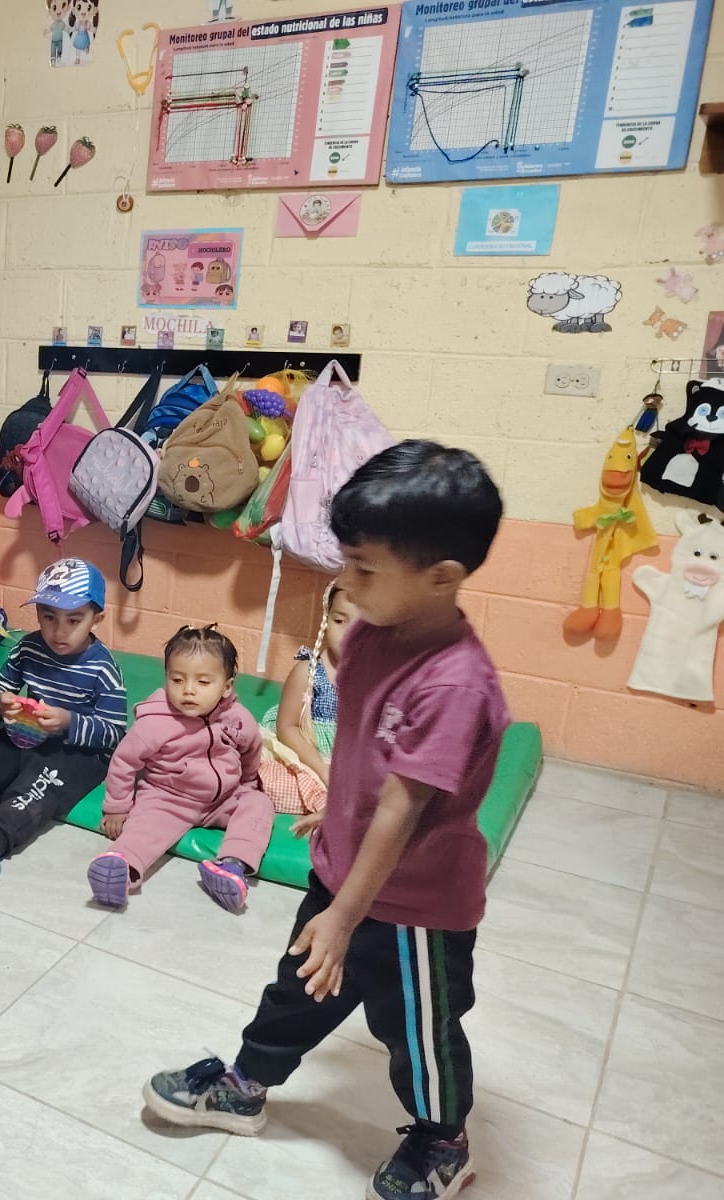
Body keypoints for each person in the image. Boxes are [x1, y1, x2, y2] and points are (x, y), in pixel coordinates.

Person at [141, 442, 510, 1200]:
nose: (347, 584)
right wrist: (335, 816)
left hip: (415, 906)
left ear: (441, 578)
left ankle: (443, 1139)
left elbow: (404, 807)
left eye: (365, 570)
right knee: (299, 985)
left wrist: (345, 916)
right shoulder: (369, 634)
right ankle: (246, 1086)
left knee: (416, 1029)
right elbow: (361, 751)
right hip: (346, 870)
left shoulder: (454, 685)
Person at [0, 558, 126, 883]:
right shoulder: (28, 647)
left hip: (77, 753)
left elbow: (113, 732)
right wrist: (2, 702)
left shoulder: (103, 668)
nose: (59, 630)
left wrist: (68, 721)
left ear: (97, 619)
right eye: (49, 617)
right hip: (25, 733)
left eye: (74, 620)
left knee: (34, 791)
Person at [88, 624, 271, 913]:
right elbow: (124, 761)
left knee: (259, 803)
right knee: (145, 829)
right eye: (177, 679)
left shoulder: (237, 718)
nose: (188, 690)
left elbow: (251, 749)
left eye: (203, 682)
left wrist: (247, 783)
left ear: (226, 687)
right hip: (169, 799)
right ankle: (119, 867)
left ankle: (232, 865)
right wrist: (116, 807)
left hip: (223, 800)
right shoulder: (155, 721)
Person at [258, 584, 359, 827]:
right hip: (304, 753)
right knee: (269, 780)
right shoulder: (309, 672)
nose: (348, 634)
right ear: (326, 620)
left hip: (349, 761)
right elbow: (287, 727)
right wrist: (321, 769)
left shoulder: (376, 677)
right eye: (339, 620)